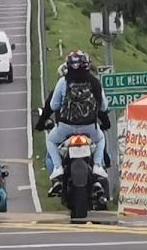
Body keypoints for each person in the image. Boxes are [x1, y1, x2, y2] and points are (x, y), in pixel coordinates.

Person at [42, 50, 110, 195]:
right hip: (89, 127)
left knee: (51, 140)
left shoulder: (63, 82)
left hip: (65, 127)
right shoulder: (94, 82)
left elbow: (53, 105)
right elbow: (104, 107)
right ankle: (98, 165)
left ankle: (58, 168)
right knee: (101, 139)